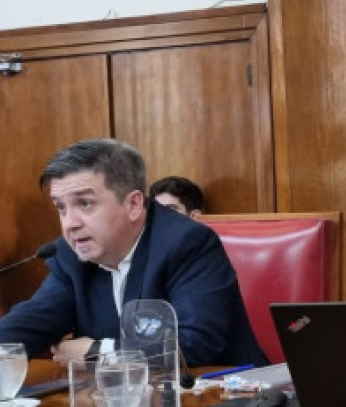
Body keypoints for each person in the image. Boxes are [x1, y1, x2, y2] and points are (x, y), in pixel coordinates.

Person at [0, 139, 266, 367]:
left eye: (85, 203)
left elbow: (195, 343)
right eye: (61, 207)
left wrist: (99, 352)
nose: (70, 223)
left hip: (226, 391)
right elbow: (31, 322)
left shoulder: (187, 243)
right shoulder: (71, 256)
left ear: (134, 205)